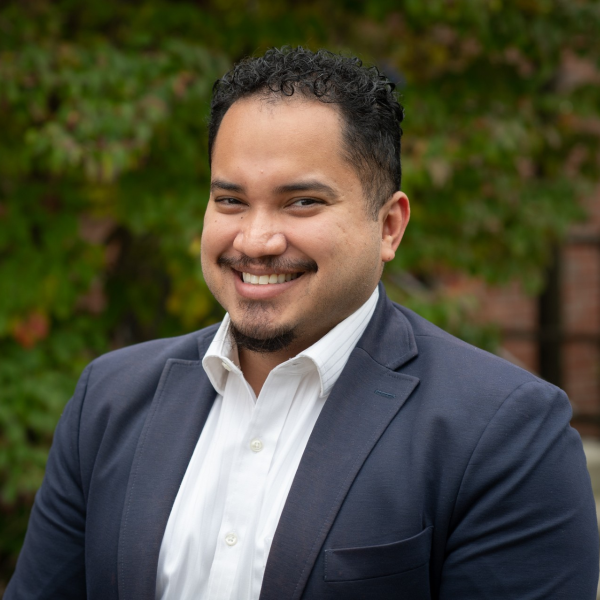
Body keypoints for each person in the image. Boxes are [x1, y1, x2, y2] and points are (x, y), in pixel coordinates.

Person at [5, 46, 599, 600]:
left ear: (389, 226)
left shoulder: (504, 433)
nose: (256, 240)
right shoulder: (108, 400)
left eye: (302, 202)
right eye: (231, 200)